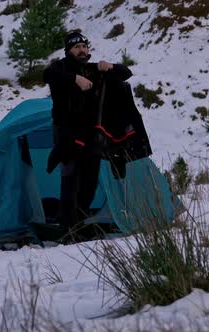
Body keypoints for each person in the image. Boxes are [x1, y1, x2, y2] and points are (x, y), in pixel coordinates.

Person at [43, 31, 133, 235]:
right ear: (68, 51)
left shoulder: (94, 70)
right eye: (76, 47)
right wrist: (75, 78)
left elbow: (126, 73)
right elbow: (47, 75)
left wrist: (110, 66)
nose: (82, 50)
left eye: (84, 46)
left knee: (90, 184)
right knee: (70, 180)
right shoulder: (61, 67)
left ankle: (78, 223)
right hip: (67, 133)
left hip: (91, 136)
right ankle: (67, 230)